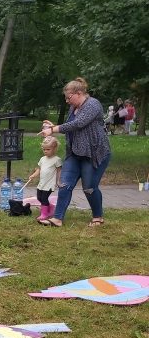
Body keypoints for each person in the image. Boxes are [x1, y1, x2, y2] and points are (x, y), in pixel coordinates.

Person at [40, 77, 111, 227]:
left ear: (78, 93)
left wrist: (53, 129)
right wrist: (55, 127)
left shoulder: (93, 104)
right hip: (74, 153)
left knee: (89, 187)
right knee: (65, 184)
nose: (67, 101)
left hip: (93, 154)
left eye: (68, 97)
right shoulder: (74, 107)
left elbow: (79, 124)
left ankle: (98, 217)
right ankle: (57, 219)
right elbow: (70, 126)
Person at [28, 136, 62, 223]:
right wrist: (33, 175)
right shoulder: (42, 159)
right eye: (44, 149)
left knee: (44, 198)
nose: (45, 151)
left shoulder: (57, 160)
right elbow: (39, 169)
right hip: (42, 183)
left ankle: (44, 214)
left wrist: (58, 181)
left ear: (54, 149)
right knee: (39, 197)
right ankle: (50, 207)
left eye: (48, 149)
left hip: (49, 184)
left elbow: (59, 171)